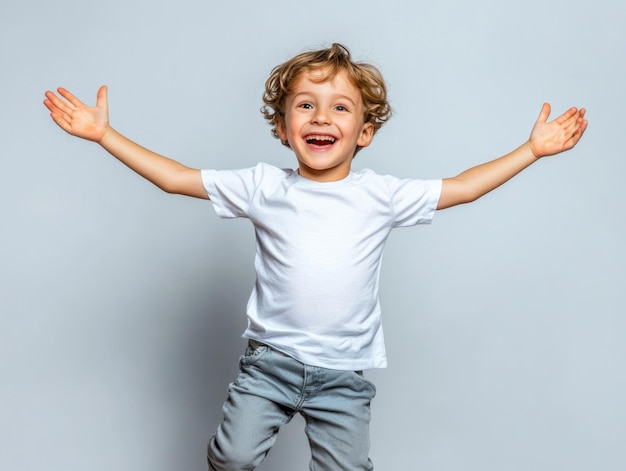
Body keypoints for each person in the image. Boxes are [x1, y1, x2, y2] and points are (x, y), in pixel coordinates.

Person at [43, 43, 587, 471]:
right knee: (233, 459)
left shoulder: (381, 195)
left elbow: (464, 188)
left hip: (342, 376)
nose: (321, 118)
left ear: (365, 132)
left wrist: (531, 151)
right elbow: (175, 178)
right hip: (270, 365)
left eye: (340, 108)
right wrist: (104, 134)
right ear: (282, 128)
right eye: (305, 105)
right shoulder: (262, 187)